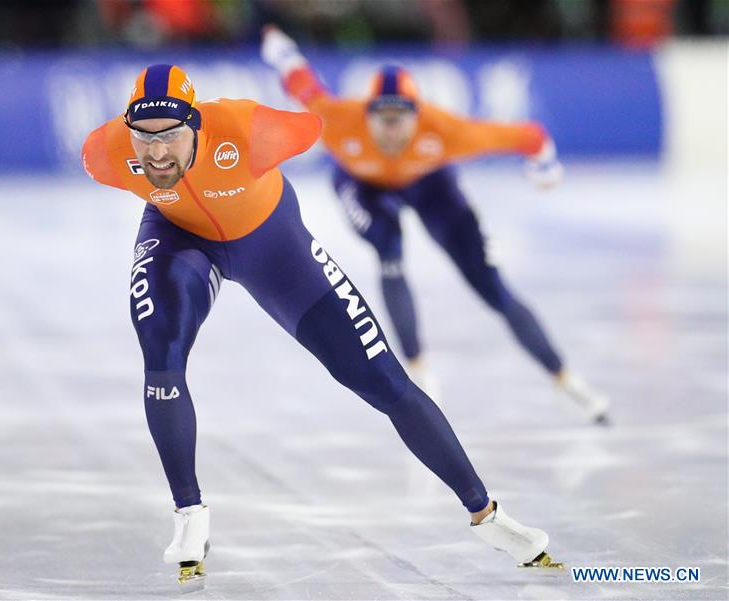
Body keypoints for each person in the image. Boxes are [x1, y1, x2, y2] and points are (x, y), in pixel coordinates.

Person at [82, 63, 564, 591]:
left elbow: (321, 124)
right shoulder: (105, 152)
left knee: (382, 380)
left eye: (171, 135)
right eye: (144, 136)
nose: (156, 153)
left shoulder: (247, 129)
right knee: (161, 347)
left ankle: (486, 513)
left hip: (275, 248)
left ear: (196, 124)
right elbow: (127, 152)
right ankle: (189, 514)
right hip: (180, 240)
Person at [261, 26, 610, 424]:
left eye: (400, 120)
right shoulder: (338, 120)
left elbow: (530, 136)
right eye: (382, 120)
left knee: (489, 282)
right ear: (365, 114)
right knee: (389, 248)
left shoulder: (445, 130)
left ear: (418, 116)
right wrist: (283, 51)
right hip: (362, 187)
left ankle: (563, 376)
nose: (391, 131)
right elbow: (302, 84)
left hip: (429, 183)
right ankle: (418, 368)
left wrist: (545, 167)